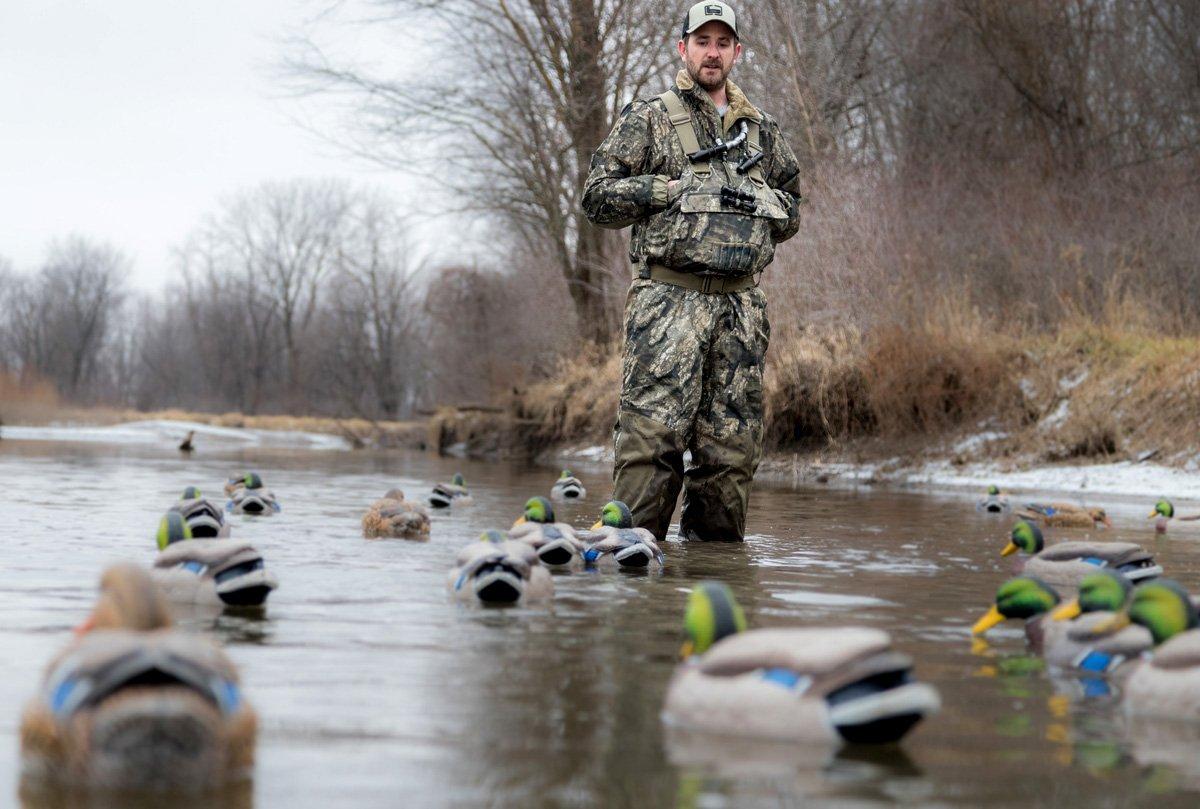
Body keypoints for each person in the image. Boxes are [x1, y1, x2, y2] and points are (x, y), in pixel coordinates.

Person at [582, 1, 802, 542]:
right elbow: (597, 199)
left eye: (722, 42)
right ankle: (635, 571)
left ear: (737, 53)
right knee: (651, 440)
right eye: (702, 40)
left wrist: (759, 202)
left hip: (741, 312)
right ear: (683, 48)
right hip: (667, 304)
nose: (712, 52)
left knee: (730, 451)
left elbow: (792, 210)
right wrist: (664, 190)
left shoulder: (762, 131)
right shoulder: (650, 117)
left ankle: (715, 577)